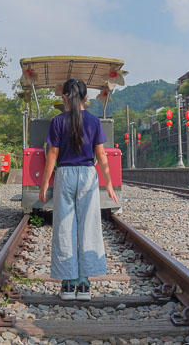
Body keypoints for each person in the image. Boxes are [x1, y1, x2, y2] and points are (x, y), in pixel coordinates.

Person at [38, 78, 119, 301]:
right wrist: (109, 184)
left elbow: (52, 155)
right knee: (88, 224)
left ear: (64, 97)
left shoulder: (57, 122)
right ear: (86, 98)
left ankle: (67, 283)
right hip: (87, 175)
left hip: (64, 174)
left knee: (64, 226)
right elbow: (101, 155)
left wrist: (45, 184)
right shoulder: (94, 121)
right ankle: (84, 283)